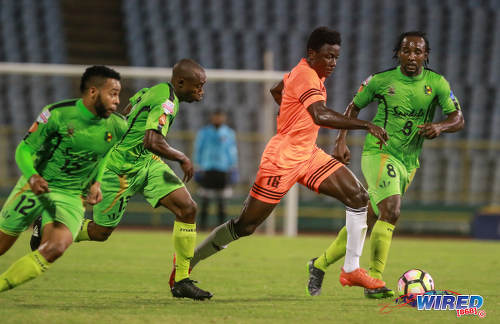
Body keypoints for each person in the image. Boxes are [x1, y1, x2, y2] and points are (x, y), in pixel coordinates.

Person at [169, 27, 390, 293]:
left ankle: (351, 269)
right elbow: (320, 115)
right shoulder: (306, 76)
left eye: (336, 58)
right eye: (328, 57)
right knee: (246, 225)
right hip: (282, 159)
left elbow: (278, 90)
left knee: (358, 198)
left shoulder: (306, 74)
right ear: (312, 54)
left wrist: (290, 112)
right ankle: (188, 261)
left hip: (307, 153)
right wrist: (366, 125)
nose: (332, 63)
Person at [30, 59, 213, 300]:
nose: (201, 91)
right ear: (180, 82)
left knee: (187, 208)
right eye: (198, 86)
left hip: (147, 164)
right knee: (99, 233)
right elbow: (152, 141)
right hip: (118, 171)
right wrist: (182, 158)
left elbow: (127, 113)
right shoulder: (166, 101)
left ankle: (181, 281)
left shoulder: (153, 90)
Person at [307, 31, 465, 298]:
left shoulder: (436, 83)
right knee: (391, 211)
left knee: (367, 219)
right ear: (398, 53)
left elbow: (458, 118)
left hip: (408, 161)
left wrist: (440, 125)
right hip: (379, 153)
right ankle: (375, 281)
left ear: (426, 56)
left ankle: (319, 263)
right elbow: (353, 107)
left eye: (418, 52)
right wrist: (340, 141)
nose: (412, 56)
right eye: (406, 51)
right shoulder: (380, 81)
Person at [0, 66, 126, 292]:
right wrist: (32, 177)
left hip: (71, 195)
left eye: (119, 94)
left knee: (55, 248)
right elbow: (24, 149)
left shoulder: (117, 125)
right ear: (93, 92)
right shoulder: (56, 114)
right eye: (113, 93)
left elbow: (105, 153)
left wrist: (96, 182)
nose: (117, 100)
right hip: (36, 187)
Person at [194, 109, 238, 230]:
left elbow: (232, 151)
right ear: (212, 118)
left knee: (222, 201)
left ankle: (220, 228)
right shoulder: (204, 132)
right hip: (207, 168)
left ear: (224, 118)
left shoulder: (229, 133)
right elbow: (198, 149)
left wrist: (233, 167)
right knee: (205, 200)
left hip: (222, 169)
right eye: (216, 117)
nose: (218, 119)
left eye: (220, 117)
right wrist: (197, 166)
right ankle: (202, 227)